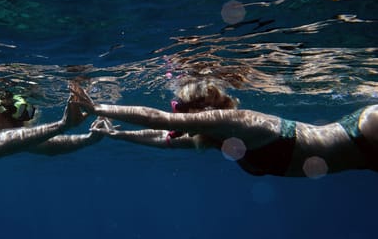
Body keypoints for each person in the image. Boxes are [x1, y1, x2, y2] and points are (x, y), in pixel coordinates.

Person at [70, 81, 378, 177]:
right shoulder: (215, 138)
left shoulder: (235, 122)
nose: (178, 113)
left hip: (364, 132)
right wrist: (114, 134)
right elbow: (162, 138)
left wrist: (97, 108)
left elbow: (159, 120)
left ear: (200, 108)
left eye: (181, 108)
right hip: (366, 155)